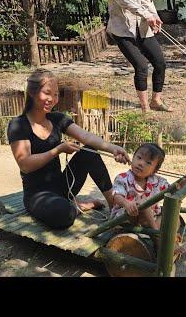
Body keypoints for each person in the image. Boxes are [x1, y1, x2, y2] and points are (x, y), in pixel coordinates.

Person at [8, 70, 130, 230]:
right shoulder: (18, 125)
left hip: (61, 186)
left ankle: (113, 206)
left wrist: (114, 148)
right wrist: (58, 150)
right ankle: (79, 206)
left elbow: (86, 136)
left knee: (88, 151)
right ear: (32, 92)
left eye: (56, 94)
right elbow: (25, 164)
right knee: (63, 215)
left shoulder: (57, 118)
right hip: (38, 195)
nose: (52, 99)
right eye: (47, 93)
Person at [101, 0, 172, 112]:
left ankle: (156, 100)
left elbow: (147, 2)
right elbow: (123, 0)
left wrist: (154, 17)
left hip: (142, 29)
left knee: (160, 63)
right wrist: (146, 15)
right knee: (141, 66)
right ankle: (145, 107)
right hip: (123, 30)